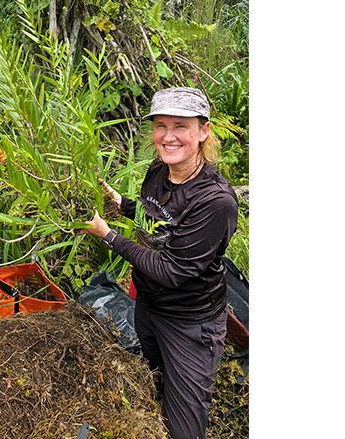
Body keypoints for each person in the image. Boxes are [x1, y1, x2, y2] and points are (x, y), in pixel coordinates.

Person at [82, 86, 238, 439]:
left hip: (189, 323)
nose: (168, 137)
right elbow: (157, 218)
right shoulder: (158, 170)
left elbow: (173, 270)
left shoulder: (215, 201)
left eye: (181, 126)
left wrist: (107, 234)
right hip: (148, 306)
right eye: (161, 126)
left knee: (184, 429)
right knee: (156, 376)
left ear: (203, 130)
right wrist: (122, 203)